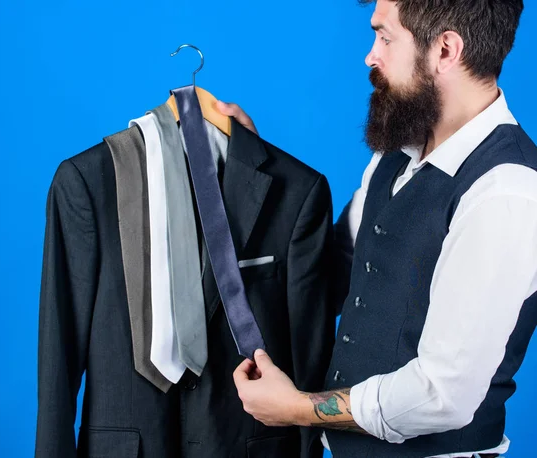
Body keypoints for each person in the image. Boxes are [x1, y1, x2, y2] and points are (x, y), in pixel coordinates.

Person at [219, 0, 537, 457]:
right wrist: (256, 164)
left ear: (446, 49)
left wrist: (299, 408)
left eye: (385, 38)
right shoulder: (396, 154)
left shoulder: (505, 190)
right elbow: (330, 275)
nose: (371, 55)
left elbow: (442, 393)